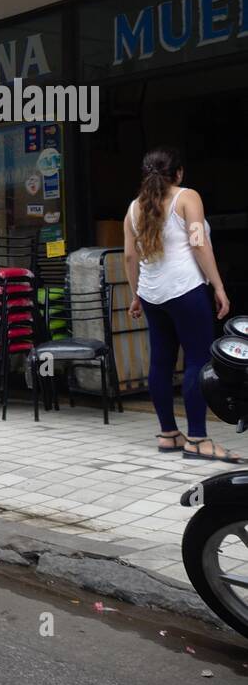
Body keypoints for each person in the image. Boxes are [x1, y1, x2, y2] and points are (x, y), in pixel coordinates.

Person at [124, 146, 239, 461]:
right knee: (197, 362)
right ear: (179, 173)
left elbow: (130, 256)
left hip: (152, 294)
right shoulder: (187, 197)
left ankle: (168, 434)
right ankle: (198, 439)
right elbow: (199, 244)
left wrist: (136, 294)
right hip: (185, 289)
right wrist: (218, 285)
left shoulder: (134, 208)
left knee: (161, 361)